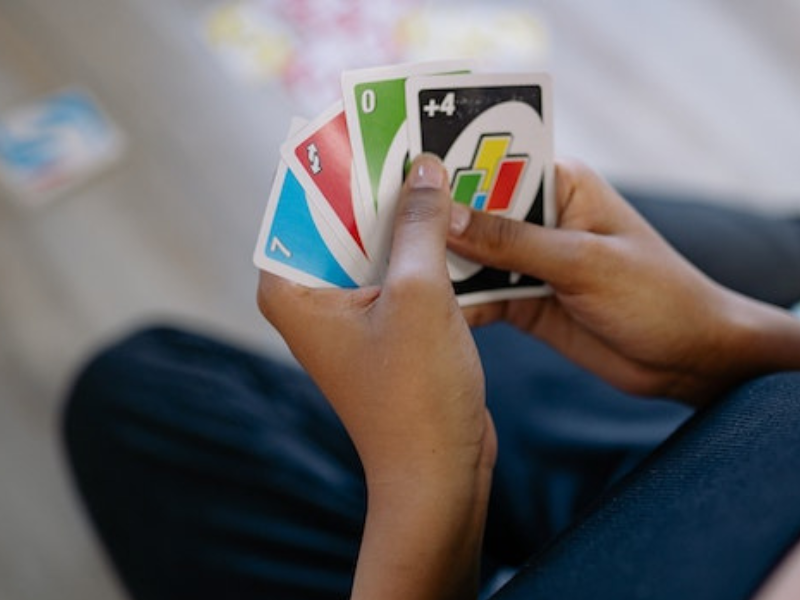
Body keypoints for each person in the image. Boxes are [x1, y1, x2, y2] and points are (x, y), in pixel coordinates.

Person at [63, 154, 800, 600]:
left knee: (137, 399)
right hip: (722, 429)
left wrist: (430, 492)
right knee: (496, 298)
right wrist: (725, 344)